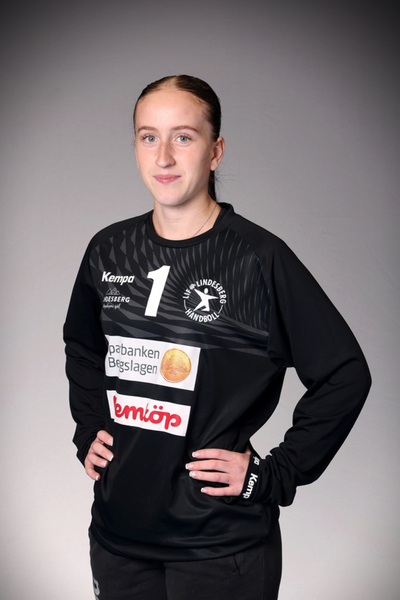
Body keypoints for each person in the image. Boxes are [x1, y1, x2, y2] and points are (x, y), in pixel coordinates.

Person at [64, 75, 371, 600]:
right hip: (119, 539)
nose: (163, 156)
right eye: (148, 137)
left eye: (183, 137)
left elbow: (344, 374)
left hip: (221, 548)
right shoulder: (109, 249)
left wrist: (274, 474)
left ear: (216, 151)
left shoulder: (256, 259)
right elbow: (84, 347)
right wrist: (88, 428)